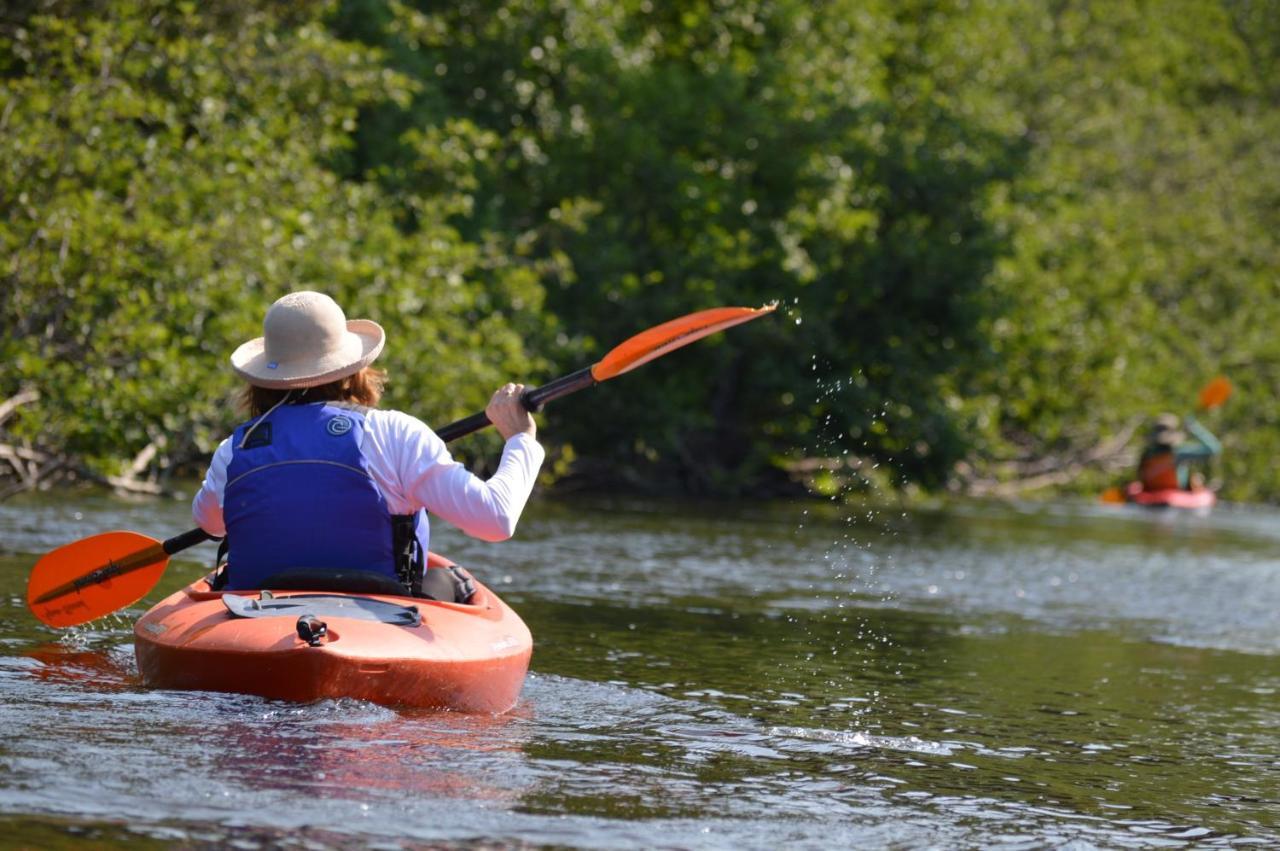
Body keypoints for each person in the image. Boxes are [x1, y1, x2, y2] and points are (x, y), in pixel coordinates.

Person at [192, 290, 544, 601]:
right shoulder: (395, 433)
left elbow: (210, 524)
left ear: (263, 380)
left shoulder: (236, 448)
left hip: (255, 612)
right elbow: (495, 519)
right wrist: (520, 440)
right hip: (378, 614)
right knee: (451, 580)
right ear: (352, 370)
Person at [1136, 412, 1221, 492]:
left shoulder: (1147, 454)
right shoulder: (1179, 453)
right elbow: (1213, 449)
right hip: (1173, 496)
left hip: (1150, 495)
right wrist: (1194, 427)